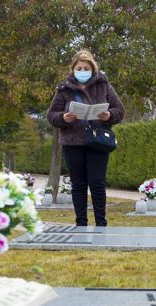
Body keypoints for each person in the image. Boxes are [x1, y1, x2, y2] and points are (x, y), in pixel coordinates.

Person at [47, 50, 124, 226]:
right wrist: (63, 118)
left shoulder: (104, 85)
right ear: (73, 69)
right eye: (79, 68)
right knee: (78, 184)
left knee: (97, 183)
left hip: (98, 142)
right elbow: (51, 115)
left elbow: (119, 110)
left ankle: (101, 223)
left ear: (93, 69)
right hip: (72, 143)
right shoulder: (63, 89)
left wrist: (108, 115)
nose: (82, 70)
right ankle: (81, 223)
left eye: (86, 68)